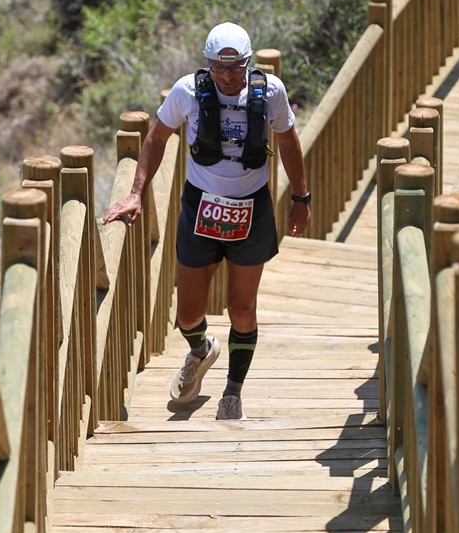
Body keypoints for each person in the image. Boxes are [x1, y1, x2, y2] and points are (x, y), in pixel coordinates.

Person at [101, 22, 311, 420]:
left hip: (251, 209)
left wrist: (301, 196)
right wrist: (135, 194)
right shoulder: (187, 92)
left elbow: (287, 140)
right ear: (208, 65)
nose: (229, 77)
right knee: (188, 313)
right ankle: (201, 350)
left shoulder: (270, 93)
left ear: (248, 64)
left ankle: (233, 391)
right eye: (219, 68)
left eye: (236, 69)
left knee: (241, 307)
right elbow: (156, 138)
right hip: (202, 208)